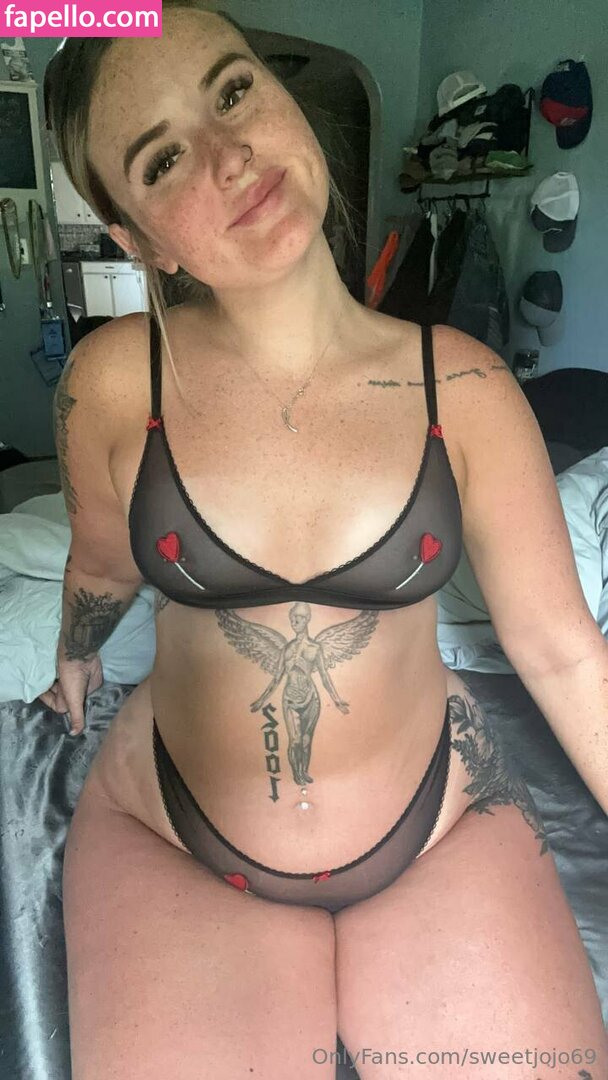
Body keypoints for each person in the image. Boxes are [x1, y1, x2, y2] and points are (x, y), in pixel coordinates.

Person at [41, 4, 608, 1077]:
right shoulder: (113, 382)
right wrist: (76, 654)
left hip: (439, 827)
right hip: (172, 838)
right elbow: (103, 560)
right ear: (137, 240)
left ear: (283, 99)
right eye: (163, 158)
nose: (228, 154)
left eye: (233, 89)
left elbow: (564, 653)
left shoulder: (467, 387)